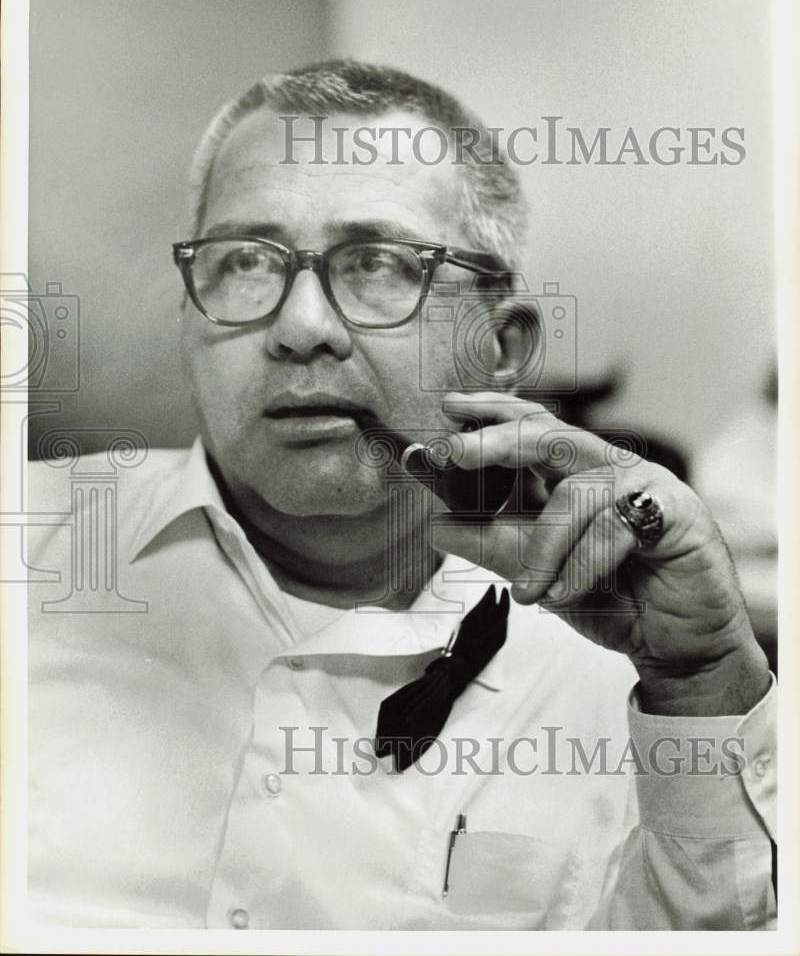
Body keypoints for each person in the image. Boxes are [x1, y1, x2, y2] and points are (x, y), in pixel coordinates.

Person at [27, 60, 775, 931]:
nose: (301, 328)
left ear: (501, 347)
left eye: (377, 263)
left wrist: (701, 692)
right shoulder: (31, 556)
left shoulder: (631, 680)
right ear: (191, 317)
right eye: (245, 263)